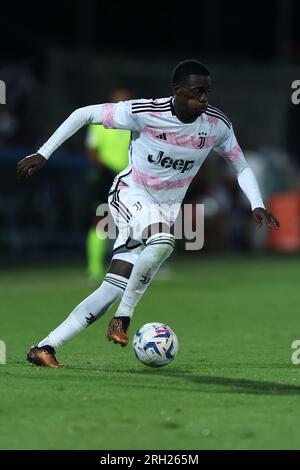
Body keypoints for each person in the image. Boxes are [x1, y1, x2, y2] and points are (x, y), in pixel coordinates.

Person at [17, 59, 280, 368]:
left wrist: (257, 203)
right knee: (164, 242)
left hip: (164, 209)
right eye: (197, 92)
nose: (204, 99)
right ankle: (123, 319)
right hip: (131, 193)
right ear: (177, 91)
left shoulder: (216, 126)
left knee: (113, 286)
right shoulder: (145, 113)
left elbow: (241, 165)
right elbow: (84, 114)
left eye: (207, 92)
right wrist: (43, 152)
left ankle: (46, 346)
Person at [85, 88, 132, 282]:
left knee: (137, 220)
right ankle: (94, 269)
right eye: (118, 103)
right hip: (106, 176)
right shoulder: (99, 124)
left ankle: (139, 267)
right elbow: (92, 152)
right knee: (101, 220)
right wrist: (108, 171)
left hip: (131, 178)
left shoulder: (134, 123)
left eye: (125, 103)